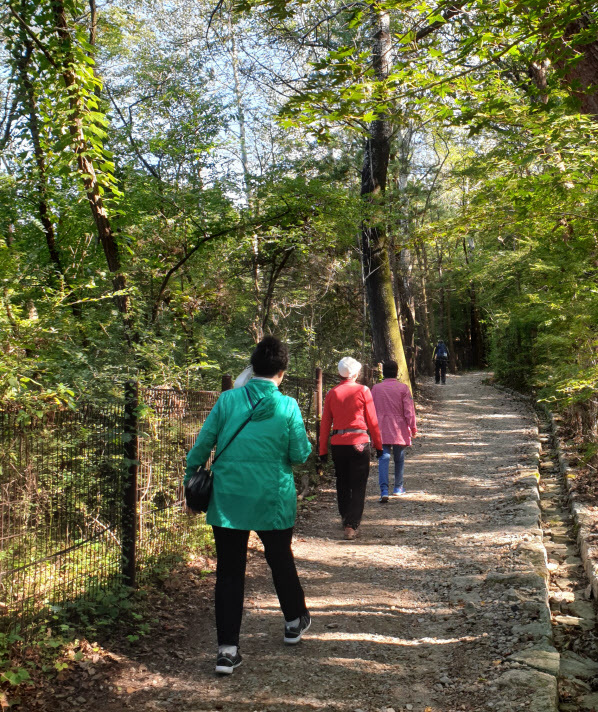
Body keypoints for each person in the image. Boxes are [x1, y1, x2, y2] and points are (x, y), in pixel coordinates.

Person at [185, 336, 312, 675]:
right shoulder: (287, 407)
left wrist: (189, 478)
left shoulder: (227, 401)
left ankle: (227, 651)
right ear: (282, 372)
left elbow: (201, 447)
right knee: (280, 559)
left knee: (228, 573)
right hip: (273, 497)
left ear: (252, 368)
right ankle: (292, 623)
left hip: (228, 499)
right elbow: (300, 454)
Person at [319, 357, 383, 541]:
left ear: (340, 374)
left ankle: (346, 516)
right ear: (355, 374)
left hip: (338, 443)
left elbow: (325, 424)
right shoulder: (363, 390)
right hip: (359, 443)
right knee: (359, 485)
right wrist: (378, 445)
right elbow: (372, 421)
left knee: (342, 482)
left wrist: (322, 450)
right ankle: (351, 524)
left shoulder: (332, 393)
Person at [371, 360, 417, 502]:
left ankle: (384, 490)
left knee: (383, 459)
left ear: (383, 372)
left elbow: (370, 410)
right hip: (399, 428)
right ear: (396, 372)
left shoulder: (376, 389)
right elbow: (409, 410)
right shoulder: (403, 388)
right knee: (399, 459)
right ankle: (398, 487)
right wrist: (413, 427)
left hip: (381, 428)